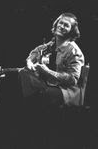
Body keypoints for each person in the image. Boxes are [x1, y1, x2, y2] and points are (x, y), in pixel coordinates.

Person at [18, 12, 85, 149]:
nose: (61, 26)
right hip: (49, 85)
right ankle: (31, 127)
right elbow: (34, 53)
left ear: (72, 30)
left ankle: (39, 136)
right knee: (23, 72)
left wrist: (48, 72)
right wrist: (30, 62)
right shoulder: (51, 44)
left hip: (67, 91)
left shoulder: (74, 51)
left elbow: (72, 80)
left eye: (66, 25)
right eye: (60, 23)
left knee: (40, 97)